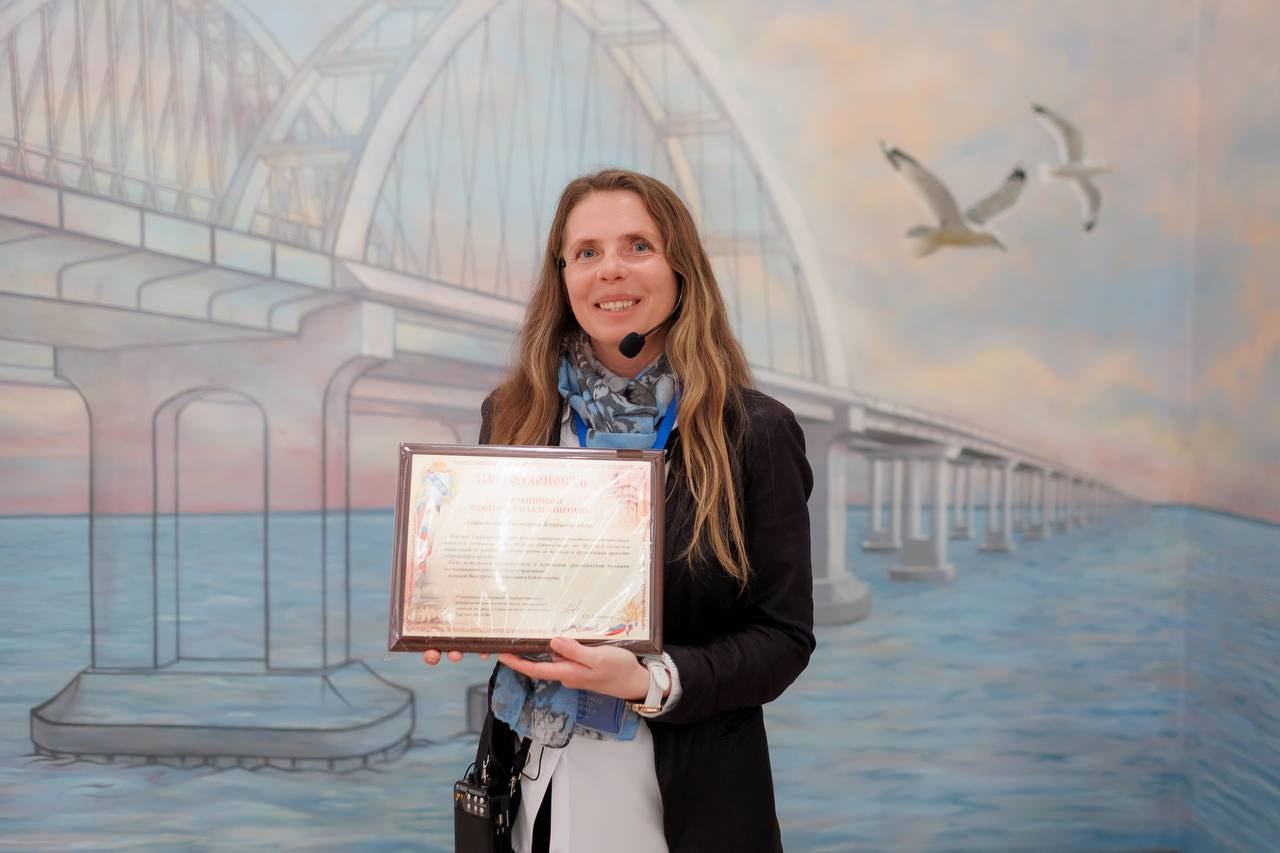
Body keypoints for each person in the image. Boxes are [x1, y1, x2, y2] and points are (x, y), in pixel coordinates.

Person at [423, 169, 815, 852]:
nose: (610, 269)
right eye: (587, 252)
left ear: (682, 270)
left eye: (638, 246)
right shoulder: (514, 415)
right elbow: (499, 581)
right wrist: (455, 611)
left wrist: (648, 678)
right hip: (528, 785)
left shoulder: (753, 432)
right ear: (563, 277)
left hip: (681, 804)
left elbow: (782, 638)